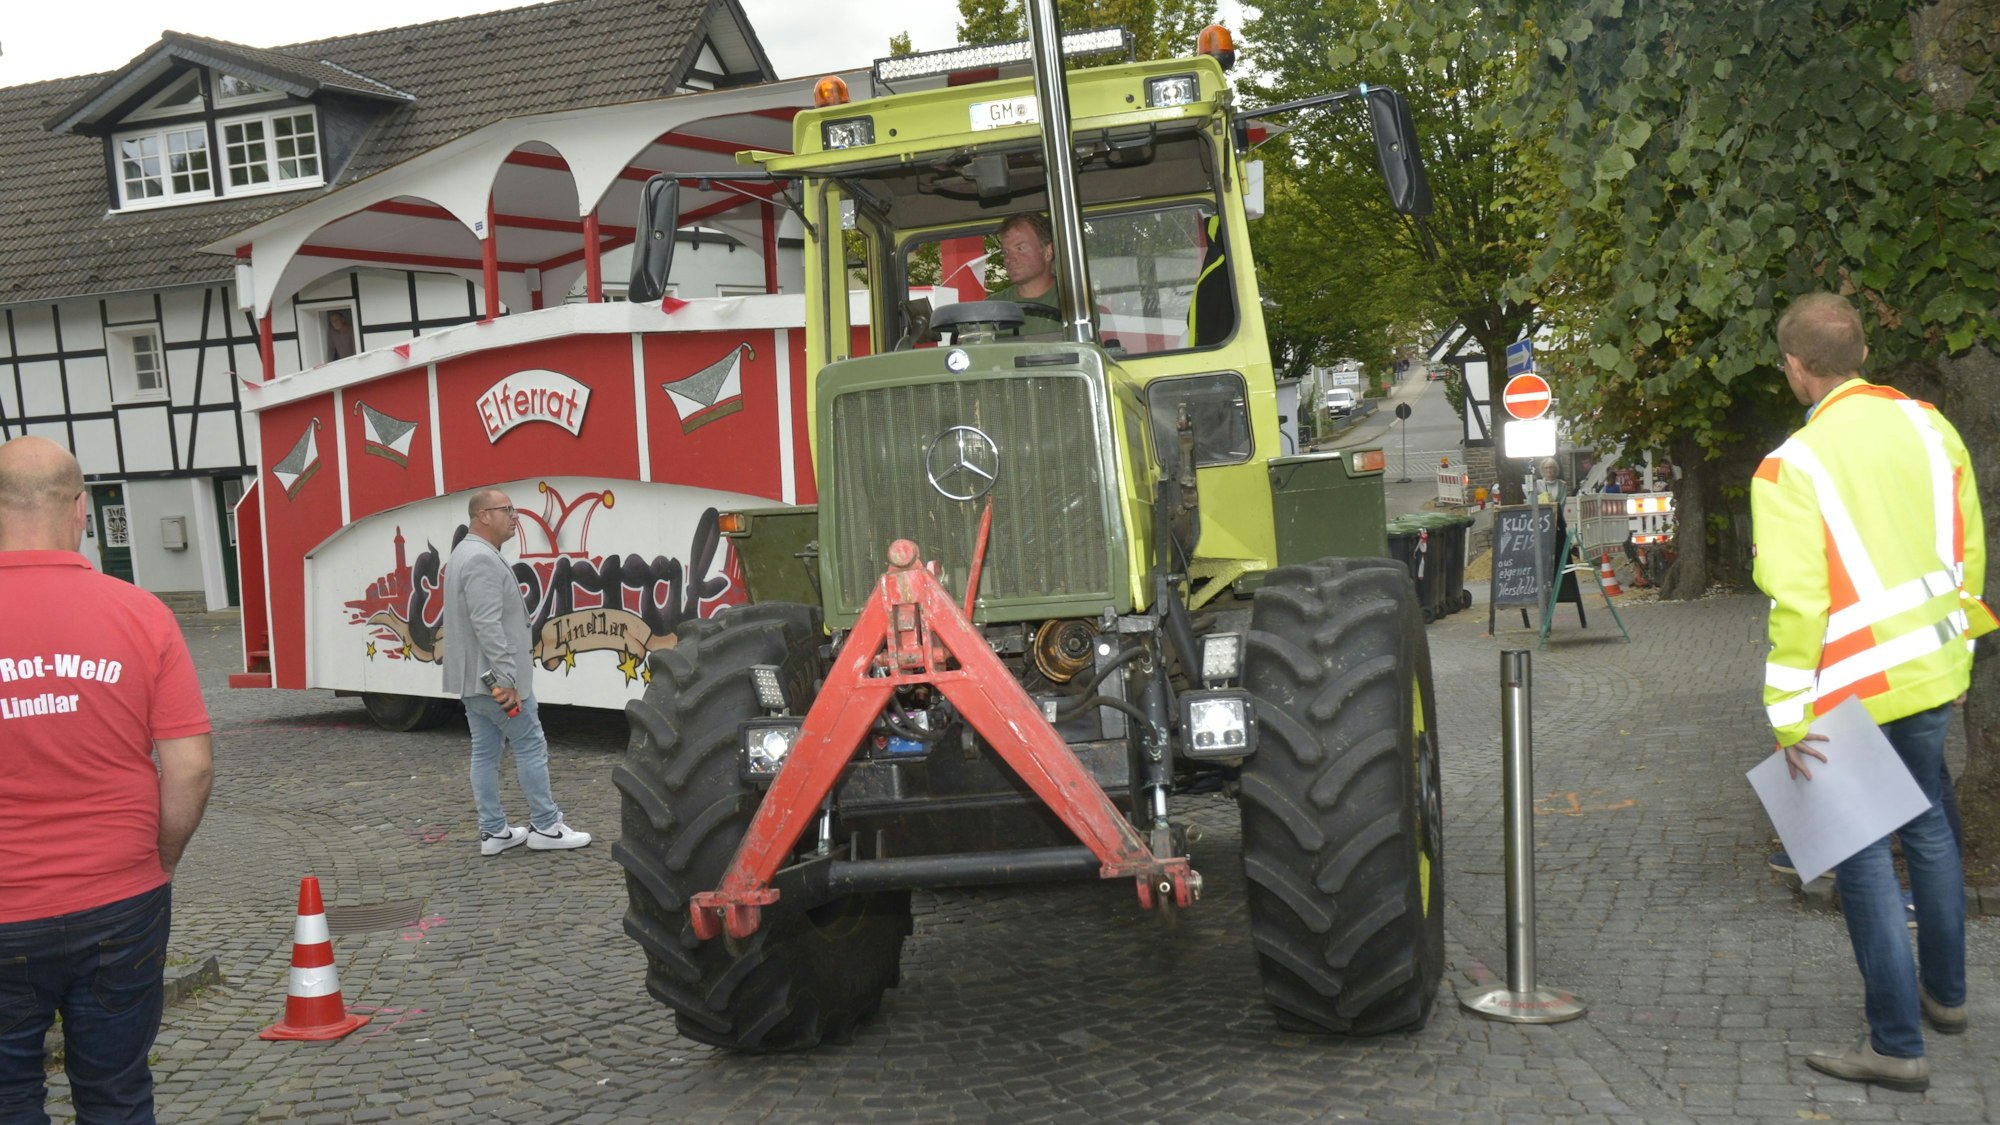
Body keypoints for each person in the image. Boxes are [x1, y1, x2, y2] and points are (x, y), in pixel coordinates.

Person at [1751, 292, 1994, 1092]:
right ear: (1861, 353)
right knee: (1928, 825)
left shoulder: (1790, 466)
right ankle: (1946, 997)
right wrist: (1959, 653)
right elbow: (1968, 549)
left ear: (1796, 367)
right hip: (1932, 672)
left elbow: (1799, 605)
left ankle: (1894, 1044)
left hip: (1849, 689)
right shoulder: (1931, 426)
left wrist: (1788, 716)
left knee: (1860, 855)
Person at [0, 435, 214, 1123]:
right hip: (121, 899)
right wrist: (163, 857)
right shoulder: (142, 613)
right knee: (116, 1092)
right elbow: (191, 768)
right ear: (79, 508)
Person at [443, 488, 591, 855]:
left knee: (484, 751)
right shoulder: (480, 558)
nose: (515, 517)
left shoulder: (464, 553)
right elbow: (487, 624)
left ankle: (494, 832)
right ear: (483, 516)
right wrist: (507, 679)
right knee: (530, 743)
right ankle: (546, 826)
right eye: (507, 510)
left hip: (474, 680)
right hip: (496, 682)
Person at [987, 213, 1064, 335]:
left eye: (1020, 248)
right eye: (1005, 252)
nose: (1009, 259)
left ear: (1048, 252)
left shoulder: (1073, 301)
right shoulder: (991, 307)